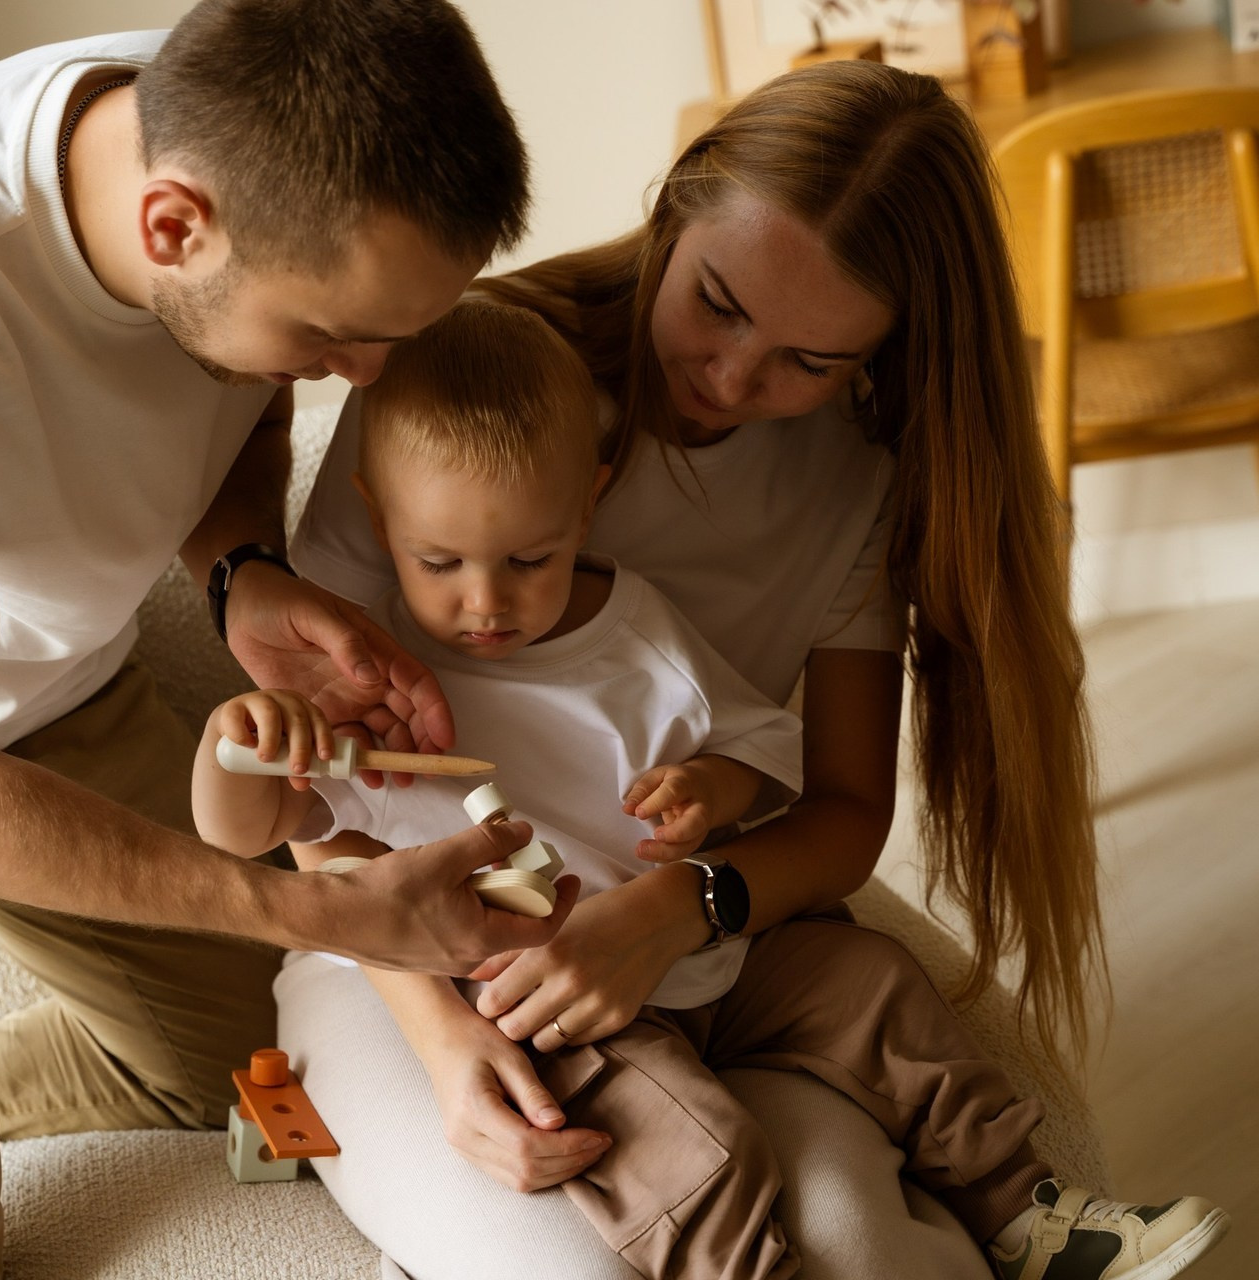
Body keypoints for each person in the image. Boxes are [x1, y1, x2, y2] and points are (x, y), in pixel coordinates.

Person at [287, 61, 1233, 1279]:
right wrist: (435, 1029)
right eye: (718, 303)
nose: (733, 379)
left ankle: (1040, 1223)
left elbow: (837, 809)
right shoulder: (465, 385)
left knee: (866, 1247)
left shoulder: (858, 478)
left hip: (697, 935)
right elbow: (326, 782)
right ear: (673, 212)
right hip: (415, 949)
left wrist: (683, 901)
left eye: (811, 361)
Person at [0, 3, 575, 1276]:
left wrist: (242, 568)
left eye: (390, 339)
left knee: (266, 1052)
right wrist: (314, 905)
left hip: (52, 681)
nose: (359, 382)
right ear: (172, 228)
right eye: (326, 338)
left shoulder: (223, 111)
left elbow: (248, 407)